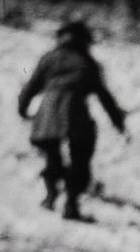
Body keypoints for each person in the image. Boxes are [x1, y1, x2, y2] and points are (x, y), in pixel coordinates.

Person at [16, 19, 129, 222]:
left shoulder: (49, 58)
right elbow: (104, 95)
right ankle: (71, 206)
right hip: (75, 110)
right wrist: (117, 120)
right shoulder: (87, 62)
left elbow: (32, 86)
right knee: (80, 156)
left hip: (48, 110)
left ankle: (50, 196)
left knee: (52, 154)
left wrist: (22, 108)